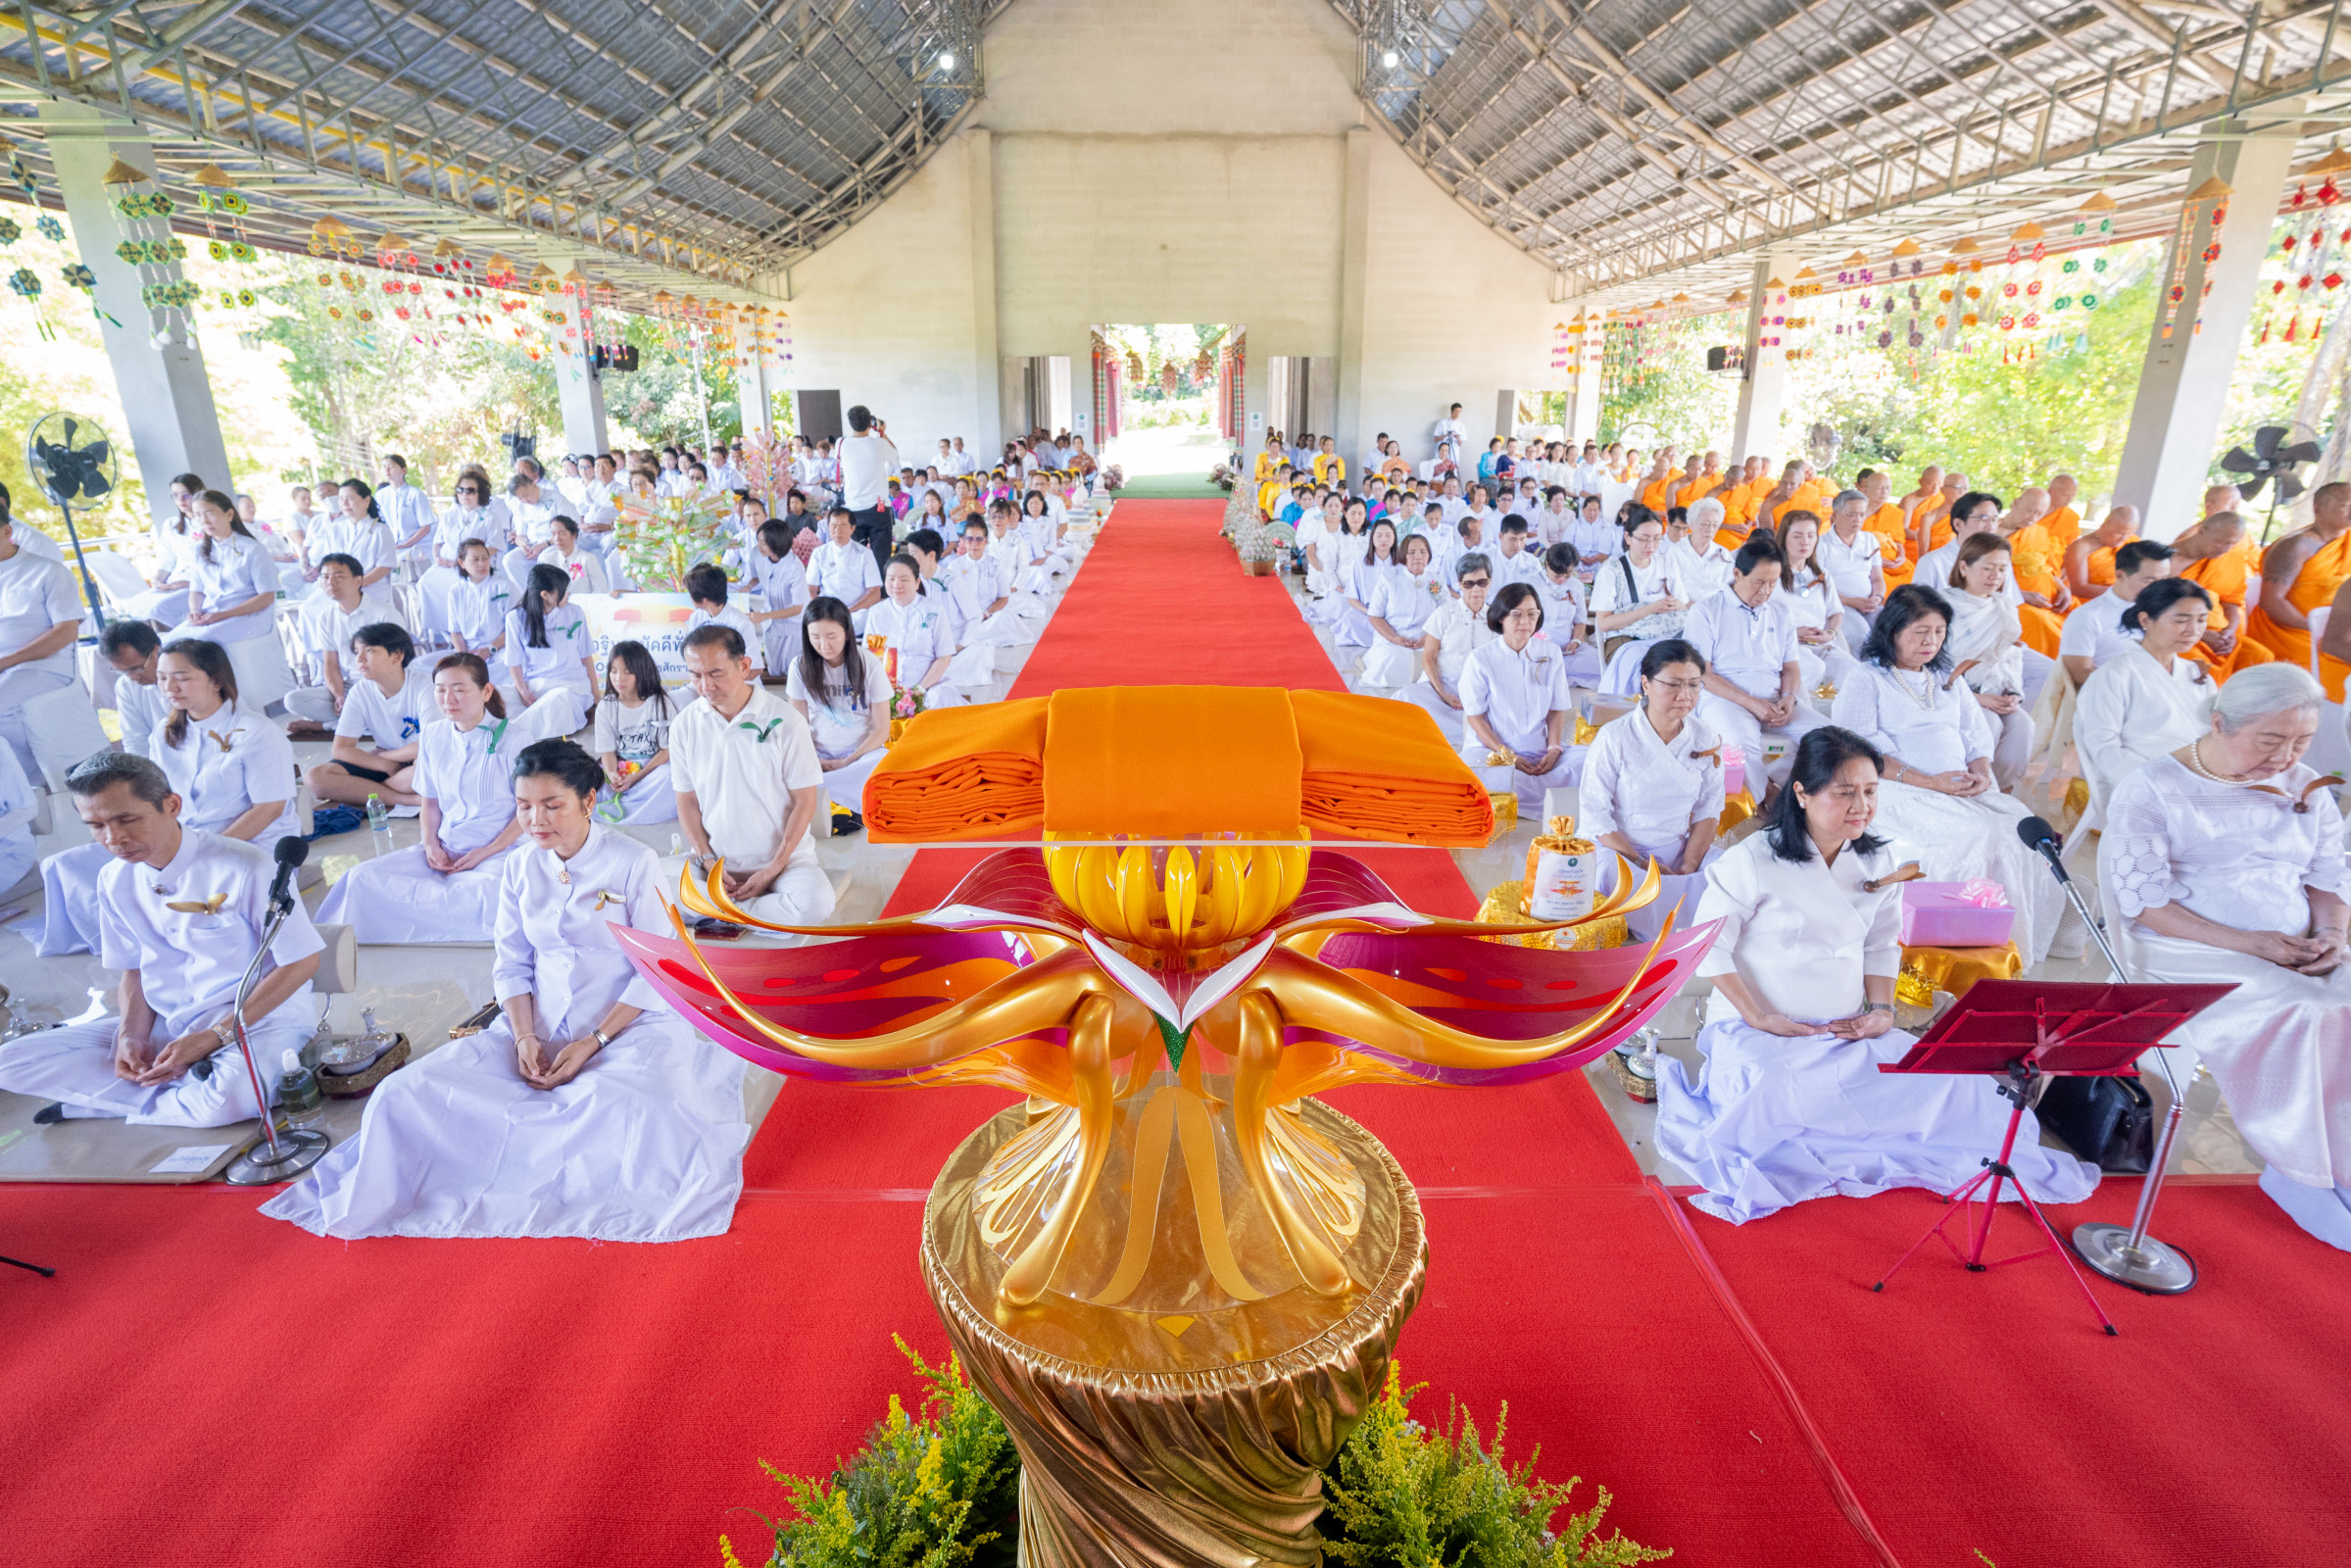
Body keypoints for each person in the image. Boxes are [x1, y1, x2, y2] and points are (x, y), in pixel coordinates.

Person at [265, 739, 750, 1242]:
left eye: (551, 805)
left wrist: (591, 1043)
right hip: (532, 1024)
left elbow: (656, 971)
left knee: (636, 1111)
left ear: (588, 800)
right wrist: (523, 1038)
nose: (535, 820)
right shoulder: (519, 866)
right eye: (523, 807)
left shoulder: (633, 861)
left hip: (628, 1025)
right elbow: (513, 962)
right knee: (401, 1094)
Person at [1653, 726, 2098, 1224]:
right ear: (1801, 793)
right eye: (1845, 793)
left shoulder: (1882, 858)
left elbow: (1882, 944)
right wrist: (1760, 1016)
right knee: (1773, 1091)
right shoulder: (1750, 860)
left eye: (1870, 791)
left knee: (1958, 1086)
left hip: (1847, 1031)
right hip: (1759, 1030)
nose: (1861, 805)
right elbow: (1709, 947)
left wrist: (1882, 1011)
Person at [2097, 664, 2351, 1249]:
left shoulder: (2306, 783)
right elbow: (2147, 906)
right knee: (2304, 1010)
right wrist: (2255, 944)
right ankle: (2298, 1170)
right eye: (2270, 741)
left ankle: (2341, 1160)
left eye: (2301, 742)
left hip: (2296, 941)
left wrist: (2334, 934)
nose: (2287, 757)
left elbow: (2329, 877)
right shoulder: (2155, 786)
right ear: (2219, 723)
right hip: (2190, 946)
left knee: (2339, 994)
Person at [0, 753, 321, 1125]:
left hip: (257, 1021)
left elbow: (302, 961)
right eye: (96, 825)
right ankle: (184, 1091)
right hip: (168, 1025)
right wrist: (131, 1037)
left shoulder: (248, 866)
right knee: (11, 1063)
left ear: (171, 805)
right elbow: (134, 971)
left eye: (127, 820)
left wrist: (213, 1037)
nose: (114, 838)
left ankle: (89, 1107)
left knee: (226, 1102)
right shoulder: (112, 879)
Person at [1829, 584, 2064, 960]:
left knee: (2020, 826)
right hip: (1895, 788)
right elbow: (1860, 753)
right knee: (1980, 836)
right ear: (1892, 631)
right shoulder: (1868, 678)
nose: (1931, 641)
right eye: (1920, 631)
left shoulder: (1947, 680)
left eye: (1938, 632)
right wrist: (1929, 782)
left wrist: (1983, 775)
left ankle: (2013, 941)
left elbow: (1974, 738)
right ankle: (1962, 945)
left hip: (1959, 786)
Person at [317, 653, 525, 943]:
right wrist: (431, 846)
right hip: (446, 846)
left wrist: (486, 851)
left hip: (500, 851)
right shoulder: (433, 735)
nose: (448, 699)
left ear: (486, 691)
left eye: (460, 689)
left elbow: (528, 811)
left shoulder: (514, 739)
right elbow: (430, 802)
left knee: (485, 895)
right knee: (358, 878)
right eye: (440, 690)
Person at [672, 622, 834, 924]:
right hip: (715, 863)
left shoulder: (786, 720)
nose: (705, 686)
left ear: (744, 666)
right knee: (651, 887)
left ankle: (723, 913)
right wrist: (707, 860)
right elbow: (687, 802)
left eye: (715, 674)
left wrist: (774, 867)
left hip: (784, 863)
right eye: (696, 675)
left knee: (816, 903)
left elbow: (805, 802)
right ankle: (749, 914)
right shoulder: (684, 724)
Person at [1581, 639, 1726, 942]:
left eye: (1694, 685)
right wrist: (1642, 863)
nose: (1685, 695)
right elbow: (1595, 815)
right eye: (1674, 685)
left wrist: (1688, 863)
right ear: (1646, 684)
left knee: (1732, 873)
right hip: (1622, 853)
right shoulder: (1614, 737)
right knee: (1620, 881)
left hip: (1680, 851)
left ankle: (1696, 937)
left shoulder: (1705, 736)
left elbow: (1710, 809)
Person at [2073, 577, 2219, 830]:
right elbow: (2104, 748)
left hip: (2196, 777)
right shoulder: (2114, 674)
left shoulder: (2197, 674)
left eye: (2201, 620)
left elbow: (2211, 736)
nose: (2193, 630)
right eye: (2181, 620)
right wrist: (2157, 782)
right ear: (2145, 620)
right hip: (2142, 780)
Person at [1686, 533, 1824, 791]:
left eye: (1773, 583)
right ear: (1737, 574)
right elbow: (1702, 673)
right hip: (1724, 699)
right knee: (1739, 742)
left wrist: (1789, 698)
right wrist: (1752, 703)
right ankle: (1764, 802)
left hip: (1774, 701)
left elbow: (1791, 668)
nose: (1766, 591)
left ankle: (1800, 797)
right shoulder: (1706, 611)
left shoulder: (1781, 612)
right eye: (1759, 582)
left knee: (1827, 737)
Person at [1460, 581, 1580, 809]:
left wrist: (1554, 749)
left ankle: (1533, 791)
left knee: (1591, 762)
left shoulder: (1550, 653)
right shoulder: (1481, 658)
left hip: (1541, 750)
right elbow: (1475, 717)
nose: (1526, 622)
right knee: (1474, 774)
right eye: (1517, 614)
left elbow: (1556, 709)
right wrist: (1507, 756)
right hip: (1493, 751)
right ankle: (1546, 796)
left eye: (1532, 614)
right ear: (1500, 618)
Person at [1938, 533, 2034, 789]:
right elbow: (1935, 668)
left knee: (2024, 727)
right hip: (1956, 692)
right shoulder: (1943, 606)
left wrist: (2012, 692)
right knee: (1987, 725)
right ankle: (1973, 789)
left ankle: (2000, 793)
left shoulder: (2005, 607)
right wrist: (1977, 699)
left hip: (1996, 690)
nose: (1995, 576)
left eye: (2002, 569)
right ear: (1964, 567)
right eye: (1987, 568)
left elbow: (2010, 658)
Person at [785, 597, 894, 816]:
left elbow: (882, 729)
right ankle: (835, 794)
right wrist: (814, 759)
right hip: (816, 754)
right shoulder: (799, 666)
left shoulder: (868, 664)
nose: (824, 645)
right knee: (779, 763)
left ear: (847, 632)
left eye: (831, 636)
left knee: (882, 766)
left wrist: (848, 761)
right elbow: (797, 725)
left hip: (861, 756)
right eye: (815, 637)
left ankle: (822, 795)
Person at [305, 621, 430, 811]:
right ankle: (407, 800)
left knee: (425, 771)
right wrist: (382, 763)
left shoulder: (425, 686)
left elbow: (428, 744)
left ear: (397, 656)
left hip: (420, 760)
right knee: (315, 778)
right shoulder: (360, 692)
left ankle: (367, 794)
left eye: (369, 651)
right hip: (385, 764)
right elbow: (341, 749)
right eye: (357, 652)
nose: (360, 659)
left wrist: (386, 756)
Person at [0, 503, 84, 779]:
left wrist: (6, 662)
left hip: (44, 667)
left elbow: (66, 632)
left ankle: (36, 783)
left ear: (6, 531)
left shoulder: (49, 571)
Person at [285, 553, 400, 729]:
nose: (331, 583)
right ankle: (355, 722)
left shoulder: (384, 614)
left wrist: (363, 693)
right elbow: (330, 663)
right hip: (349, 686)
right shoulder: (325, 617)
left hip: (381, 686)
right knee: (293, 700)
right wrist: (339, 696)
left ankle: (327, 726)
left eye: (339, 577)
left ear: (357, 581)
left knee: (385, 706)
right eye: (325, 577)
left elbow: (396, 665)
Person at [1396, 553, 1496, 745]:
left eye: (1481, 582)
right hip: (1440, 688)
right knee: (1405, 697)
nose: (1476, 589)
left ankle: (1455, 730)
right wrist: (1443, 694)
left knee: (1495, 716)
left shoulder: (1496, 619)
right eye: (1469, 584)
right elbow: (1428, 658)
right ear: (1459, 584)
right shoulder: (1444, 614)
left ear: (1489, 582)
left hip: (1477, 691)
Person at [2172, 511, 2273, 682]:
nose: (2225, 549)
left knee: (2262, 656)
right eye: (2220, 542)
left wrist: (2229, 633)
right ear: (2202, 530)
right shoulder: (2167, 560)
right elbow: (2155, 608)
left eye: (2231, 544)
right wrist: (2200, 634)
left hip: (2217, 632)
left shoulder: (2231, 559)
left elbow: (2231, 603)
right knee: (2199, 662)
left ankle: (2236, 707)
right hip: (2177, 631)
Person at [2058, 538, 2173, 687]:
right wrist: (2135, 684)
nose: (2157, 588)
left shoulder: (2164, 612)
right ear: (2120, 576)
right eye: (2148, 581)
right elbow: (2078, 673)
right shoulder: (2087, 616)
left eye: (2163, 580)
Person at [502, 564, 598, 737]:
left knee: (559, 699)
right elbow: (514, 663)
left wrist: (596, 695)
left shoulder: (575, 613)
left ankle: (516, 734)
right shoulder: (515, 618)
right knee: (501, 696)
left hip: (572, 686)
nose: (568, 594)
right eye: (563, 590)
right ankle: (517, 732)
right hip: (538, 685)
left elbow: (586, 656)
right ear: (545, 595)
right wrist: (524, 692)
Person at [591, 640, 680, 825]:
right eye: (614, 671)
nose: (619, 678)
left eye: (627, 672)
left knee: (670, 777)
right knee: (587, 777)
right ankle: (629, 803)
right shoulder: (606, 706)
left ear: (641, 671)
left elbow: (667, 751)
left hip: (652, 769)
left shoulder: (660, 703)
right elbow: (606, 751)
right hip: (620, 767)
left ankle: (626, 807)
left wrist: (636, 777)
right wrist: (612, 774)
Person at [1591, 506, 1690, 666]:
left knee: (1691, 658)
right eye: (1644, 539)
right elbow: (1605, 624)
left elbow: (1682, 605)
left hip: (1662, 634)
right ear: (1628, 537)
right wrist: (1650, 609)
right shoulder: (1611, 570)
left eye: (1657, 538)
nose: (1651, 545)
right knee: (1648, 664)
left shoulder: (1667, 563)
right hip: (1623, 638)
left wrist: (1677, 605)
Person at [866, 553, 963, 710]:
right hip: (889, 687)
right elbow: (872, 655)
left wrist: (919, 690)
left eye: (904, 579)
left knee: (941, 698)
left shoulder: (934, 610)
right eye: (891, 579)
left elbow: (944, 657)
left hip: (929, 685)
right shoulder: (877, 612)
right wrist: (888, 690)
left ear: (917, 582)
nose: (896, 585)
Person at [1774, 510, 1849, 693]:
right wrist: (1792, 633)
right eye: (1797, 536)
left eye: (1810, 536)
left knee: (1853, 671)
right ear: (1784, 538)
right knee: (1814, 668)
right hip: (1785, 644)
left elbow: (1835, 612)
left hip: (1820, 643)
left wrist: (1830, 633)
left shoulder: (1820, 574)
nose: (1805, 542)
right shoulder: (1771, 573)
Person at [1361, 533, 1447, 688]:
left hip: (1426, 637)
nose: (1418, 557)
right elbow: (1375, 615)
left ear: (1429, 555)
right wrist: (1395, 638)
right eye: (1412, 552)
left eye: (1423, 552)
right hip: (1394, 637)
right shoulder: (1389, 577)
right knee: (1392, 659)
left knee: (1443, 659)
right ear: (1403, 556)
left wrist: (1428, 637)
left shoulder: (1437, 580)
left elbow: (1445, 615)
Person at [839, 405, 899, 580]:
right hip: (878, 509)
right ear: (869, 423)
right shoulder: (879, 443)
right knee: (882, 558)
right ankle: (881, 596)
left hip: (853, 509)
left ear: (850, 423)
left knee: (855, 557)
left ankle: (858, 592)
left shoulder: (841, 443)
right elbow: (894, 457)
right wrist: (882, 431)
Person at [99, 621, 167, 760]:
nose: (132, 677)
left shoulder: (189, 676)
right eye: (122, 671)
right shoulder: (125, 686)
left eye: (135, 668)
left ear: (155, 651)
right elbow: (134, 740)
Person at [544, 513, 610, 595]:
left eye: (562, 534)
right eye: (553, 534)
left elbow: (601, 589)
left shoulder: (587, 558)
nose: (557, 538)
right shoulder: (547, 559)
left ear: (574, 535)